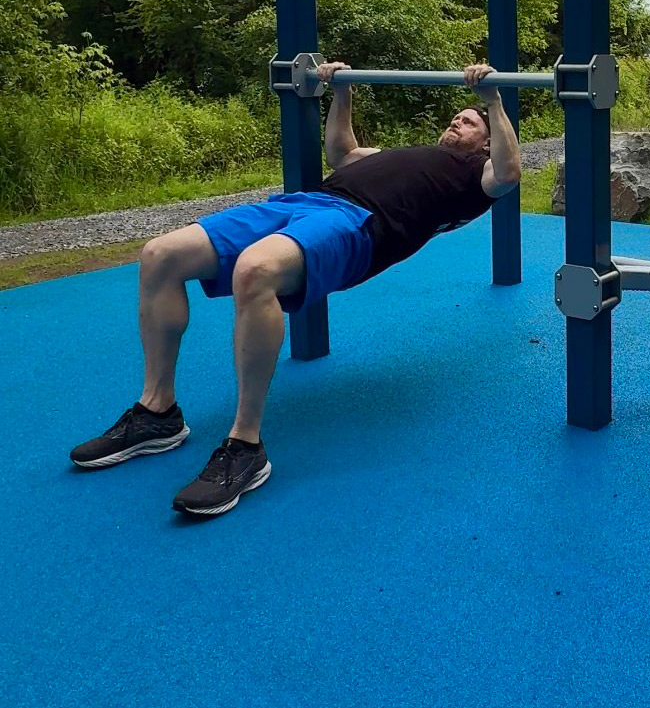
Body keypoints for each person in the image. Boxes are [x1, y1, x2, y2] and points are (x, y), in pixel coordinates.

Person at [70, 62, 521, 516]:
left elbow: (508, 173)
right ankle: (157, 413)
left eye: (469, 120)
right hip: (304, 204)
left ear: (486, 139)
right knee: (159, 255)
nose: (456, 121)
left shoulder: (474, 178)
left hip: (358, 226)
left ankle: (245, 445)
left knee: (255, 270)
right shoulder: (405, 153)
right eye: (455, 116)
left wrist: (494, 100)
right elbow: (341, 153)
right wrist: (342, 92)